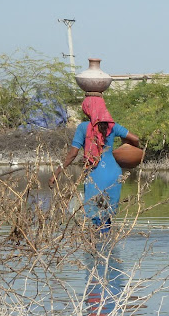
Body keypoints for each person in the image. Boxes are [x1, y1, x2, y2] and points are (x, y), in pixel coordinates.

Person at [49, 95, 140, 232]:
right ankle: (107, 246)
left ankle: (98, 247)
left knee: (96, 215)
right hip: (114, 173)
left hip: (96, 173)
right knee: (106, 215)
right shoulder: (113, 127)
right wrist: (127, 149)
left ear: (88, 109)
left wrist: (56, 173)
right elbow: (136, 139)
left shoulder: (83, 127)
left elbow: (73, 154)